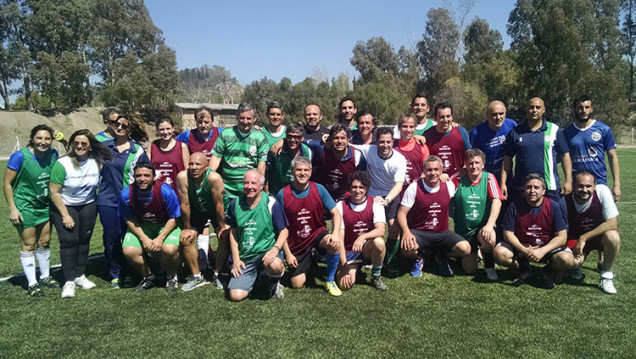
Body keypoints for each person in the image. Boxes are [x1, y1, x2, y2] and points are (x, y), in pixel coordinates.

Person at [49, 129, 112, 298]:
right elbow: (54, 192)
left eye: (84, 143)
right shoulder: (62, 163)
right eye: (76, 143)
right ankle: (69, 281)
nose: (80, 146)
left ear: (90, 146)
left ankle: (80, 275)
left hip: (88, 204)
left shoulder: (96, 161)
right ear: (71, 144)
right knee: (69, 241)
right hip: (65, 205)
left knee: (84, 240)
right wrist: (65, 215)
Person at [4, 125, 60, 297]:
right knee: (29, 244)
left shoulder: (53, 154)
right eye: (39, 138)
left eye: (47, 139)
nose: (43, 142)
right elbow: (7, 184)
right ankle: (32, 283)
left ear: (51, 140)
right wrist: (13, 209)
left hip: (45, 206)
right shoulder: (19, 156)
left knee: (44, 242)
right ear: (32, 138)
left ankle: (44, 276)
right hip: (26, 206)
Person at [276, 157, 343, 296]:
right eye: (298, 170)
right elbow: (279, 227)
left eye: (306, 170)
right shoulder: (283, 194)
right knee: (297, 284)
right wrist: (288, 254)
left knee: (334, 243)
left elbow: (336, 213)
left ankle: (330, 280)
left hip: (316, 233)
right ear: (292, 172)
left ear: (310, 172)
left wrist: (335, 233)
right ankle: (311, 259)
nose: (302, 173)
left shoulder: (319, 189)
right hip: (296, 242)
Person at [495, 174, 575, 289]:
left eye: (536, 188)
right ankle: (523, 268)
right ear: (524, 190)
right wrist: (524, 250)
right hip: (522, 248)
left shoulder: (553, 206)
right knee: (499, 253)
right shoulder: (515, 205)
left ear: (543, 191)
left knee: (567, 260)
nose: (532, 191)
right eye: (528, 187)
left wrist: (542, 251)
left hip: (546, 248)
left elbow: (562, 237)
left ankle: (546, 271)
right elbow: (508, 234)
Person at [397, 156, 471, 277]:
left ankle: (441, 256)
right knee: (407, 248)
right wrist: (406, 232)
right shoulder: (414, 187)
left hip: (442, 233)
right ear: (424, 171)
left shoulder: (448, 186)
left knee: (465, 249)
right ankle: (419, 257)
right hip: (420, 232)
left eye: (436, 170)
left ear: (441, 171)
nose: (433, 173)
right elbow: (401, 213)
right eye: (429, 170)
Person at [98, 113, 149, 289]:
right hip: (107, 201)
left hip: (129, 201)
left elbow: (146, 175)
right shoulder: (104, 147)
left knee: (130, 237)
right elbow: (79, 151)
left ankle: (130, 272)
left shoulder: (138, 150)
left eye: (124, 125)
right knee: (111, 238)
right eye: (116, 124)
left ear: (130, 129)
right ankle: (115, 273)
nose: (119, 128)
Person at [119, 163, 182, 292]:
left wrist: (160, 238)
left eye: (146, 175)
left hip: (165, 225)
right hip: (142, 225)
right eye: (138, 176)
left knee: (169, 249)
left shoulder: (166, 191)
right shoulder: (126, 194)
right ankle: (148, 276)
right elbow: (128, 218)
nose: (142, 179)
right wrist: (143, 238)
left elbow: (174, 218)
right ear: (134, 177)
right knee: (129, 251)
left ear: (154, 177)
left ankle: (171, 276)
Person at [227, 170, 288, 301]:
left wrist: (275, 248)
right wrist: (236, 259)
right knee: (235, 296)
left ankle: (274, 283)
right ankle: (257, 279)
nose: (249, 186)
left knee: (275, 265)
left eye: (253, 183)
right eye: (246, 183)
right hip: (246, 255)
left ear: (261, 186)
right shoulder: (235, 204)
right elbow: (232, 233)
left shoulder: (271, 203)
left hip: (266, 252)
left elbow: (284, 231)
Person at [501, 97, 572, 202]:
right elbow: (507, 159)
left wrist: (568, 181)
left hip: (549, 187)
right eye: (531, 107)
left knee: (552, 217)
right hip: (523, 187)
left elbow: (565, 155)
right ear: (526, 109)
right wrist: (503, 183)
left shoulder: (554, 130)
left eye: (538, 107)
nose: (534, 110)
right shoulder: (516, 132)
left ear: (543, 110)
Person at [175, 152, 229, 291]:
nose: (193, 167)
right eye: (191, 164)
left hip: (213, 209)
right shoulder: (182, 177)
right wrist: (187, 227)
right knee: (186, 238)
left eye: (198, 164)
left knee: (225, 236)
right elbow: (185, 205)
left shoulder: (214, 178)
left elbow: (219, 205)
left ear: (206, 166)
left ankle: (217, 273)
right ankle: (196, 275)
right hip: (196, 211)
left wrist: (222, 226)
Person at [386, 113, 431, 275]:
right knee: (395, 226)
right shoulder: (393, 145)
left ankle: (418, 258)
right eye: (404, 126)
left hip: (416, 194)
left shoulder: (421, 146)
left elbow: (427, 168)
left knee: (417, 227)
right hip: (397, 193)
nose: (408, 129)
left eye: (412, 126)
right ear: (399, 128)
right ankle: (391, 259)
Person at [450, 149, 502, 280]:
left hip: (482, 229)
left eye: (477, 162)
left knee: (489, 238)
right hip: (464, 231)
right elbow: (443, 196)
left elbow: (497, 201)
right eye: (471, 163)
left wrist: (490, 225)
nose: (474, 166)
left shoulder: (489, 178)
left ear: (483, 164)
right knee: (469, 269)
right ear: (465, 164)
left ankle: (489, 266)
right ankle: (463, 255)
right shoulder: (457, 178)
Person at [565, 172, 620, 294]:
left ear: (595, 186)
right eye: (580, 186)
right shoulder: (566, 200)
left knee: (613, 237)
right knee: (568, 263)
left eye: (588, 186)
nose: (584, 190)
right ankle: (576, 267)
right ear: (574, 186)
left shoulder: (602, 191)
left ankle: (606, 276)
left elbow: (612, 223)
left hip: (598, 238)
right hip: (577, 239)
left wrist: (584, 237)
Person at [335, 171, 388, 291]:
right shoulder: (340, 206)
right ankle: (355, 267)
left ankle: (376, 275)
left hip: (367, 249)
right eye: (354, 187)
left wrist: (362, 237)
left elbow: (381, 230)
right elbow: (340, 238)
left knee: (379, 242)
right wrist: (344, 265)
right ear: (349, 188)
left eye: (361, 187)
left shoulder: (375, 203)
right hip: (349, 251)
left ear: (367, 189)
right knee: (345, 285)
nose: (357, 190)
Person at [209, 103, 269, 208]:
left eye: (248, 118)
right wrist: (208, 177)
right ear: (237, 117)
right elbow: (216, 157)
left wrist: (258, 186)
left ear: (254, 119)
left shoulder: (260, 137)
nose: (245, 121)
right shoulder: (226, 134)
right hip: (227, 189)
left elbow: (261, 163)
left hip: (249, 190)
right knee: (228, 222)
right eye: (242, 118)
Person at [564, 95, 620, 201]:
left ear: (591, 109)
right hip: (577, 185)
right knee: (577, 217)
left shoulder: (604, 129)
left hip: (599, 183)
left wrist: (617, 185)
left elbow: (612, 157)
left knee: (601, 217)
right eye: (580, 107)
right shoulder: (567, 132)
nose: (583, 110)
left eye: (587, 107)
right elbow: (563, 157)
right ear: (575, 109)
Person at [313, 124, 366, 202]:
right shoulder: (324, 152)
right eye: (336, 138)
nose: (340, 141)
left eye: (343, 138)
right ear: (330, 140)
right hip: (326, 197)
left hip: (348, 198)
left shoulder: (357, 156)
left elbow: (362, 181)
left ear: (348, 140)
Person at [469, 101, 517, 182]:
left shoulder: (511, 125)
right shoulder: (477, 132)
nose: (498, 117)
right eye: (494, 114)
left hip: (507, 173)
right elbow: (470, 156)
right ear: (487, 115)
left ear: (505, 113)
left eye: (501, 113)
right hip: (486, 175)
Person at [423, 102, 472, 179]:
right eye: (442, 117)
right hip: (436, 180)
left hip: (459, 179)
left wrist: (466, 166)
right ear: (436, 118)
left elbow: (469, 154)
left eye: (448, 116)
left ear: (452, 117)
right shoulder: (428, 135)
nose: (445, 120)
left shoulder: (461, 132)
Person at [265, 123, 312, 196]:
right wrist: (267, 193)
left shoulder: (307, 152)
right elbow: (267, 172)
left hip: (298, 194)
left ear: (302, 138)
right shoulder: (275, 150)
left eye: (296, 137)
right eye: (290, 136)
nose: (292, 140)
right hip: (276, 194)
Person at [149, 116, 189, 191]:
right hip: (157, 191)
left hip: (177, 192)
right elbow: (147, 168)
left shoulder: (181, 146)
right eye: (161, 129)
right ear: (157, 131)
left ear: (173, 129)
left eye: (168, 128)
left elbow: (187, 172)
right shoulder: (153, 146)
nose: (165, 132)